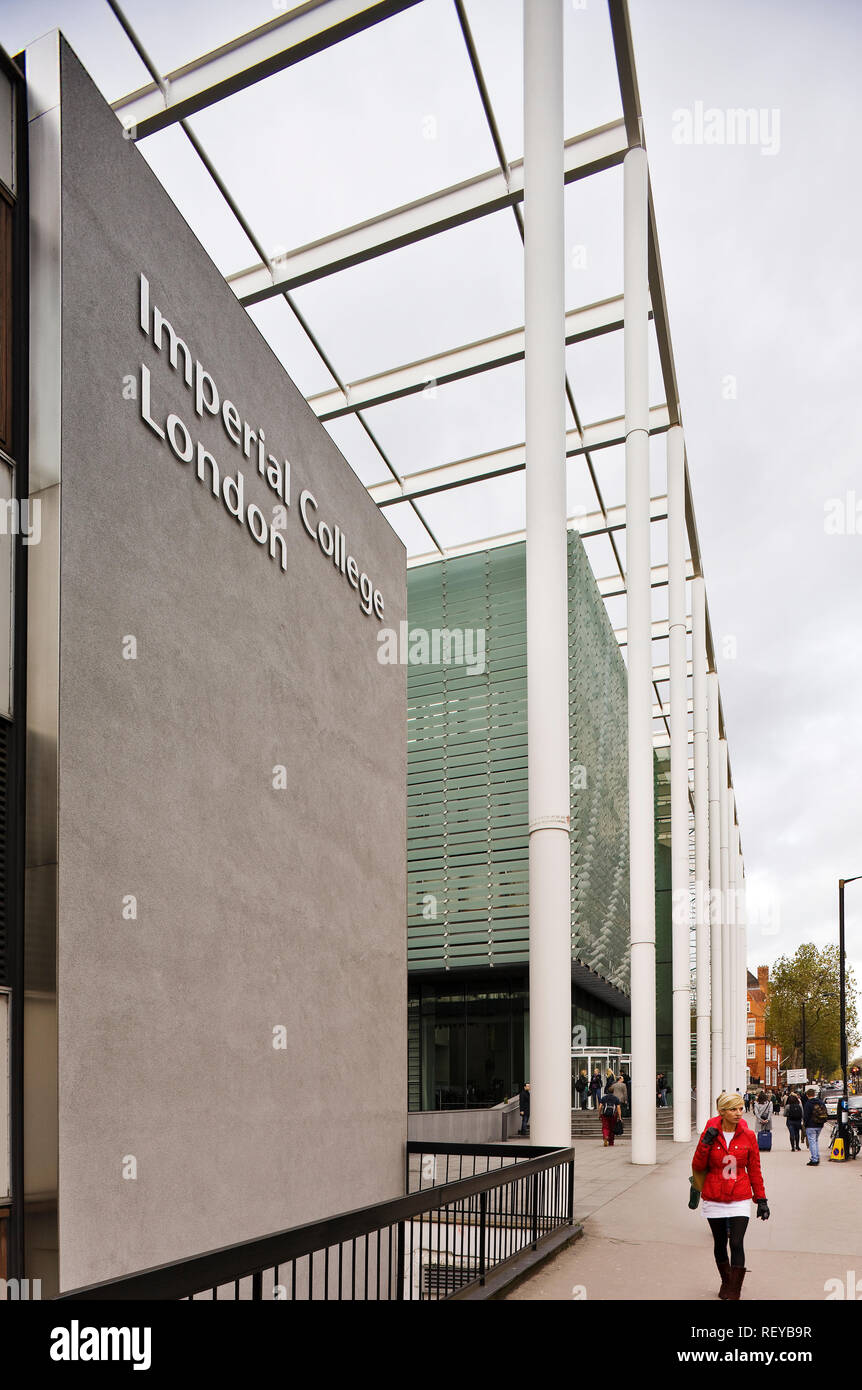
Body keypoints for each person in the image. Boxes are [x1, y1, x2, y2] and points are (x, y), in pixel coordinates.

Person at [691, 1091, 769, 1301]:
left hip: (740, 1196)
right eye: (733, 1109)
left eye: (741, 1108)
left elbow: (754, 1169)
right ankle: (726, 1282)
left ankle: (734, 1290)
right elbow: (698, 1166)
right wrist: (705, 1143)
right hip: (714, 1195)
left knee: (736, 1242)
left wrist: (761, 1199)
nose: (738, 1113)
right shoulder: (710, 1133)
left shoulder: (748, 1136)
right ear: (722, 1112)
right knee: (719, 1243)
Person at [802, 1087, 827, 1166]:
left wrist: (805, 1125)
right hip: (819, 1125)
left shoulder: (808, 1104)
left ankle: (814, 1159)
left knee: (812, 1142)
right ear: (814, 1094)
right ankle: (816, 1156)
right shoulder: (820, 1102)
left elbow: (806, 1116)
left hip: (811, 1125)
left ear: (807, 1095)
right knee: (815, 1141)